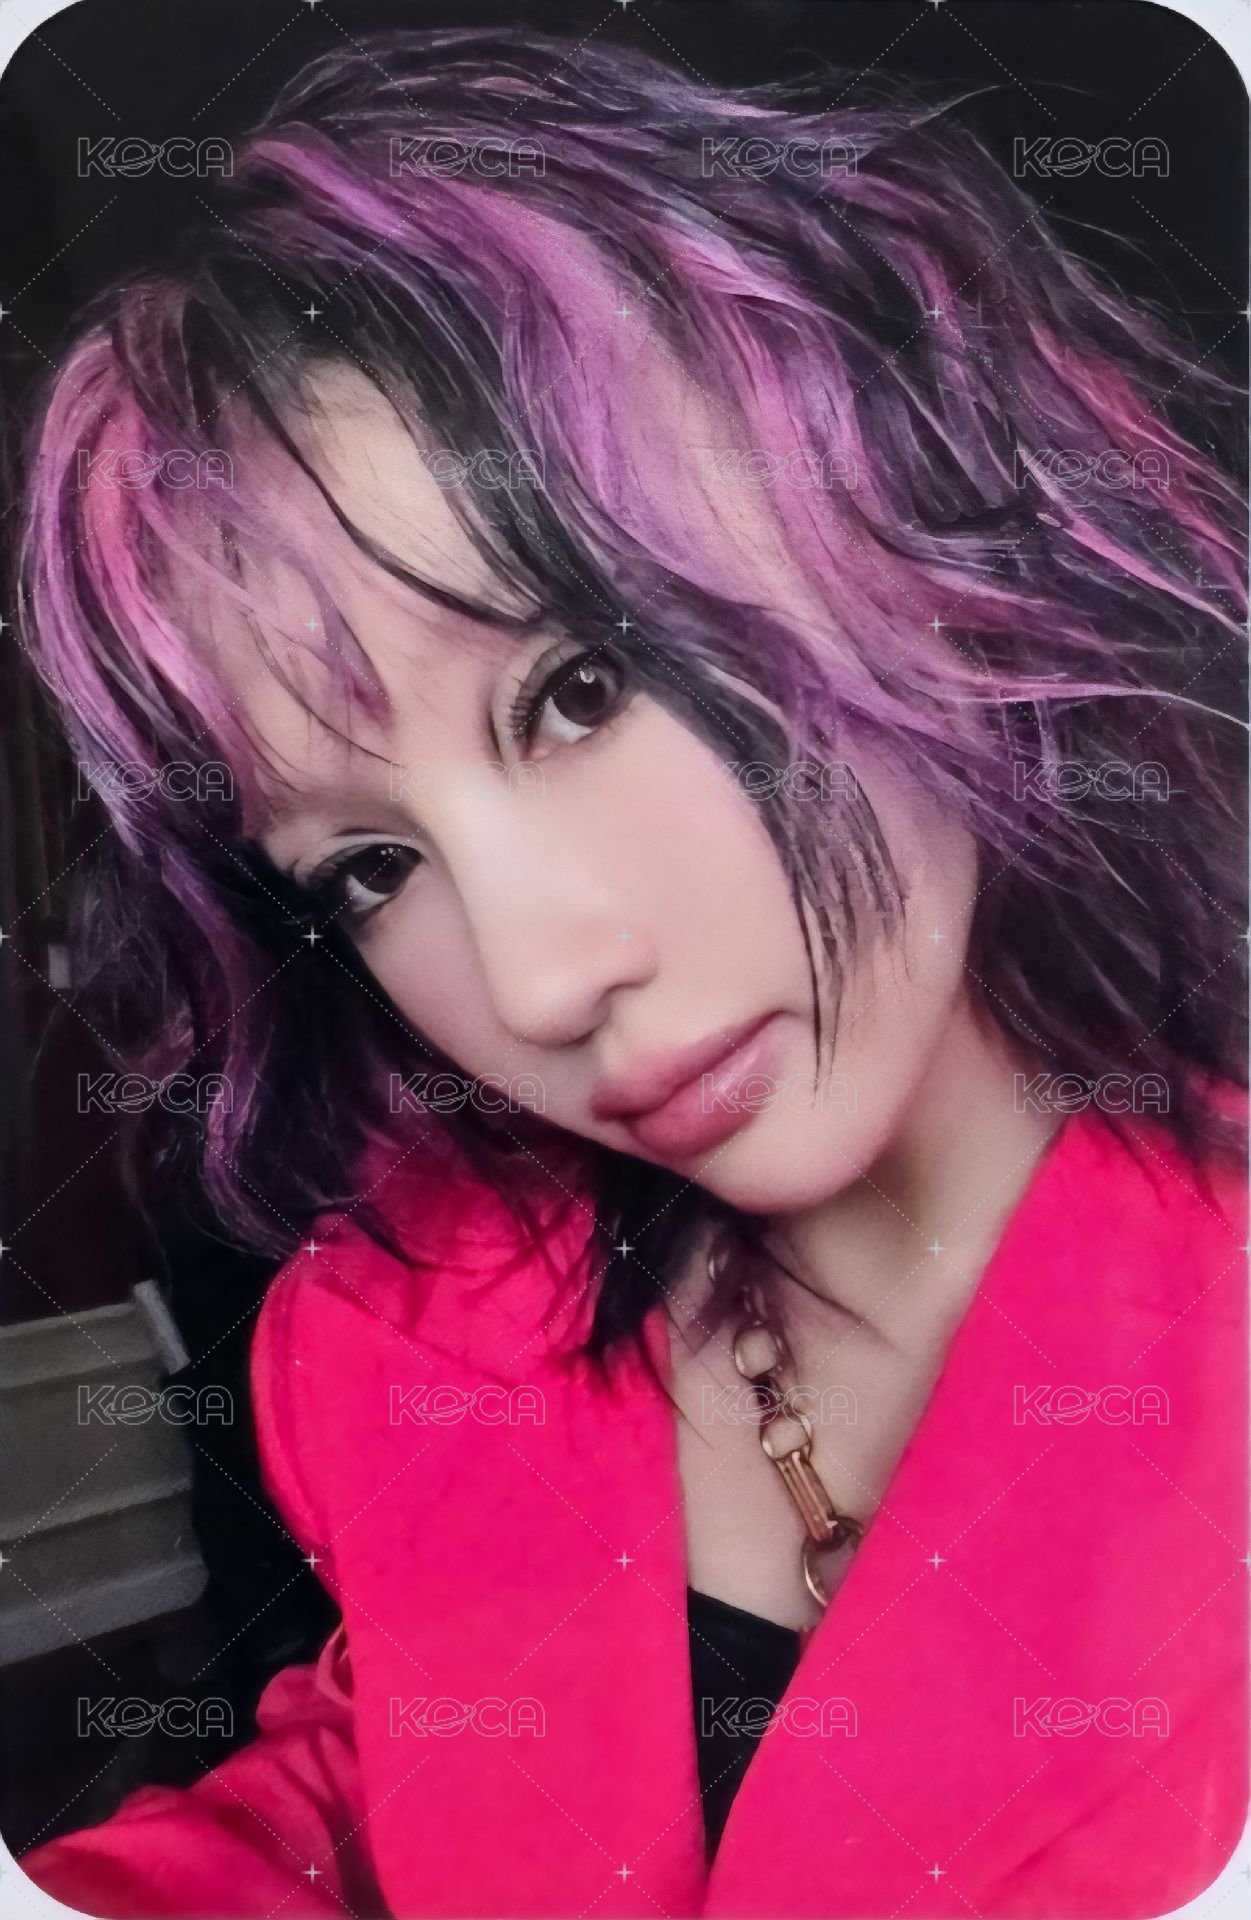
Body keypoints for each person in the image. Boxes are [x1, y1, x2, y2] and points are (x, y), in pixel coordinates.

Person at [11, 27, 1247, 1917]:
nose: (537, 981)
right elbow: (393, 1761)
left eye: (579, 690)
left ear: (898, 493)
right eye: (369, 868)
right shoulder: (400, 1341)